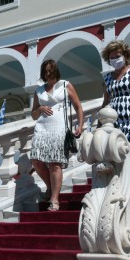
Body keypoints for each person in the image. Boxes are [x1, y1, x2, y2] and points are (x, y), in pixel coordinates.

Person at [30, 59, 84, 211]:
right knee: (35, 160)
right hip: (41, 128)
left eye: (51, 71)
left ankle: (54, 199)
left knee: (55, 163)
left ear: (55, 71)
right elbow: (33, 115)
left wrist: (80, 125)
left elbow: (78, 106)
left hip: (59, 128)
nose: (48, 74)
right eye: (46, 71)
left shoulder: (65, 85)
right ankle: (50, 186)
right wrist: (40, 108)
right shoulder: (39, 91)